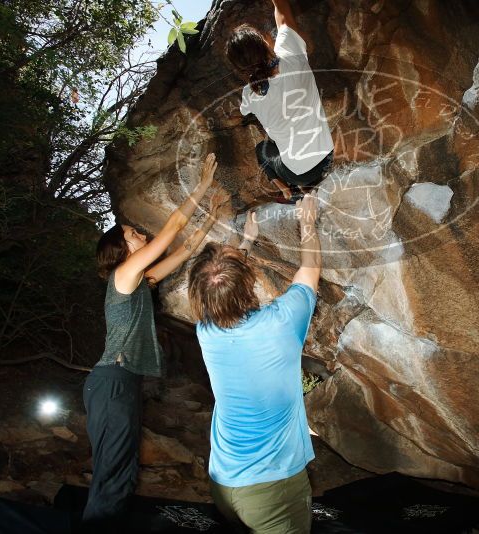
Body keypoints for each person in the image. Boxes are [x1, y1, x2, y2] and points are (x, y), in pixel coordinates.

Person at [83, 153, 224, 529]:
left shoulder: (139, 282)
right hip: (111, 381)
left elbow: (183, 251)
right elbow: (170, 230)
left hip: (124, 382)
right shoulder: (123, 274)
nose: (140, 235)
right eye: (133, 235)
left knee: (125, 469)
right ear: (120, 249)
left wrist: (211, 215)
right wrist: (202, 185)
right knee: (112, 473)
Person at [188, 194, 322, 533]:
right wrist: (307, 220)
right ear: (247, 284)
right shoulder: (282, 322)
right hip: (271, 491)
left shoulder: (207, 331)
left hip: (223, 482)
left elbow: (219, 284)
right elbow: (311, 269)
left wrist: (245, 241)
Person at [226, 0, 334, 203]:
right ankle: (296, 188)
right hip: (327, 156)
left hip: (299, 173)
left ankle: (289, 191)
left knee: (262, 150)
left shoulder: (250, 94)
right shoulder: (292, 56)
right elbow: (283, 15)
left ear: (240, 67)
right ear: (265, 42)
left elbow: (242, 110)